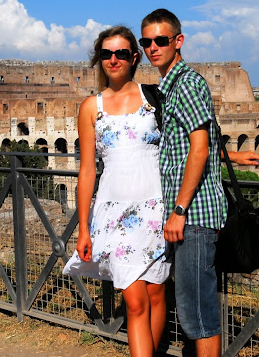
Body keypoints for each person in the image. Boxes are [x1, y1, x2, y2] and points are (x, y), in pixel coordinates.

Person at [139, 9, 259, 356]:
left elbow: (198, 147)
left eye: (160, 40)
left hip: (193, 216)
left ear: (178, 41)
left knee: (197, 312)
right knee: (192, 307)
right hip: (187, 216)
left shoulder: (188, 84)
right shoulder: (171, 87)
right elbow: (192, 145)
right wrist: (231, 156)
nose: (153, 48)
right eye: (146, 42)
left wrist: (179, 210)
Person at [63, 26, 170, 356]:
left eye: (121, 53)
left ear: (134, 57)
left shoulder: (154, 98)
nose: (113, 59)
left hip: (156, 209)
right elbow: (86, 171)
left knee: (156, 295)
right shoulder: (90, 107)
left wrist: (231, 156)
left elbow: (185, 145)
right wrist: (83, 228)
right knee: (135, 301)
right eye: (106, 53)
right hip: (115, 214)